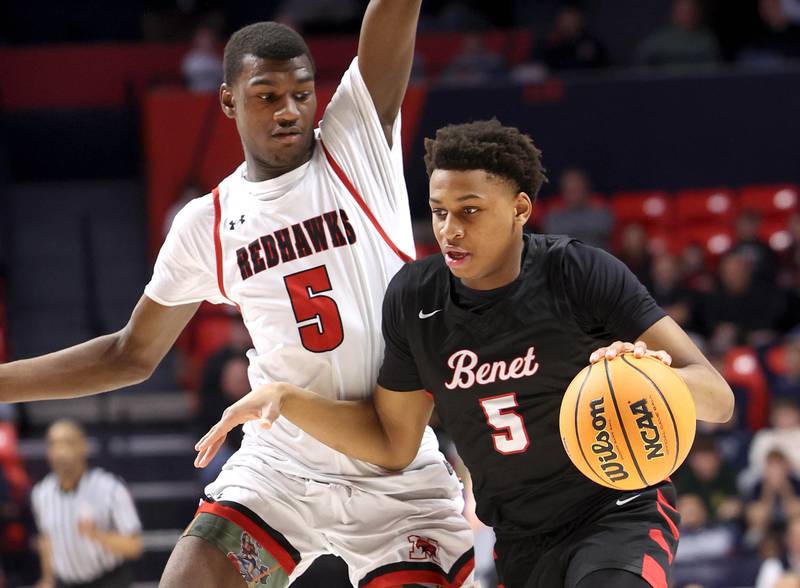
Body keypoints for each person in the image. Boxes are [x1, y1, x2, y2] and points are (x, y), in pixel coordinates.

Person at [0, 10, 476, 588]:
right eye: (267, 95)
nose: (289, 110)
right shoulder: (208, 224)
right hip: (283, 468)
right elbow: (129, 354)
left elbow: (394, 11)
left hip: (393, 459)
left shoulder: (356, 145)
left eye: (302, 93)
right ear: (229, 102)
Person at [197, 119, 735, 588]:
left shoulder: (578, 273)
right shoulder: (416, 298)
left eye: (470, 211)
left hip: (615, 510)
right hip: (520, 536)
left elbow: (718, 398)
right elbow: (391, 443)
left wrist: (649, 376)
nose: (450, 230)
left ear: (521, 207)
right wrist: (286, 397)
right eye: (438, 212)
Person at [32, 420, 142, 588]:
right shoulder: (41, 493)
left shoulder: (110, 488)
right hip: (65, 582)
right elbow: (46, 540)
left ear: (84, 447)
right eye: (53, 444)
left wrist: (97, 535)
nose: (61, 451)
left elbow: (134, 546)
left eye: (68, 443)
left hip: (108, 581)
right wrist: (48, 579)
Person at [542, 167, 613, 250]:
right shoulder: (554, 216)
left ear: (586, 189)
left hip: (596, 259)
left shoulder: (600, 211)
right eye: (570, 191)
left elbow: (604, 228)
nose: (574, 195)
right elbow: (551, 235)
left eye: (577, 190)